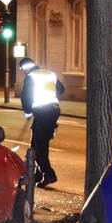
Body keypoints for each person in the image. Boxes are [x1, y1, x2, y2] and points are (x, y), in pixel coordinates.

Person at [19, 57, 65, 187]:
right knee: (36, 143)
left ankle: (49, 174)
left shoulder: (31, 77)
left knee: (40, 146)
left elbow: (26, 97)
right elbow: (61, 89)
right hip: (54, 110)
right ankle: (38, 174)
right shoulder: (49, 74)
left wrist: (28, 112)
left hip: (42, 112)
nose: (23, 72)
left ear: (25, 68)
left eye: (22, 70)